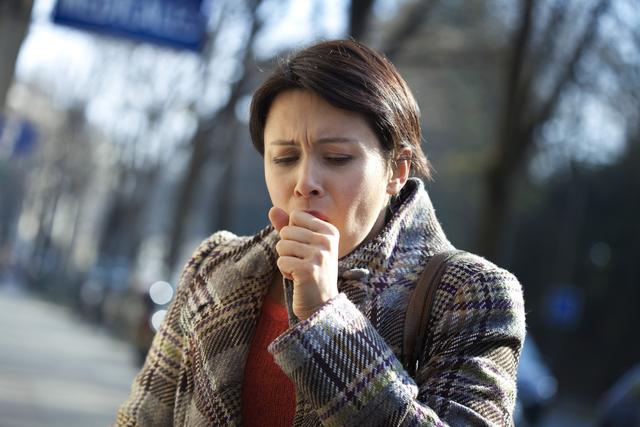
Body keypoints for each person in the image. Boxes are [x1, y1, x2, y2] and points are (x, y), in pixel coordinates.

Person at [115, 39, 526, 426]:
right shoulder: (212, 268)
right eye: (285, 157)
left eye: (337, 157)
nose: (304, 181)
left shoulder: (472, 295)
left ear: (397, 170)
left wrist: (327, 320)